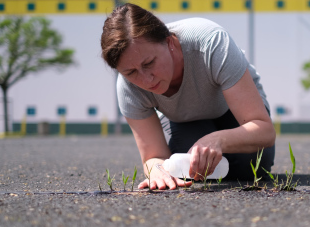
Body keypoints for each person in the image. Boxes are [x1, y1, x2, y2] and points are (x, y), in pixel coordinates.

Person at [101, 3, 275, 190]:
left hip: (231, 110)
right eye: (130, 72)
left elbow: (264, 130)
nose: (146, 79)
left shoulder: (211, 42)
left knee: (251, 167)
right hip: (185, 120)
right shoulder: (128, 87)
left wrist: (217, 140)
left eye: (149, 63)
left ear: (169, 42)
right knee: (188, 166)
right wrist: (157, 170)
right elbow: (153, 156)